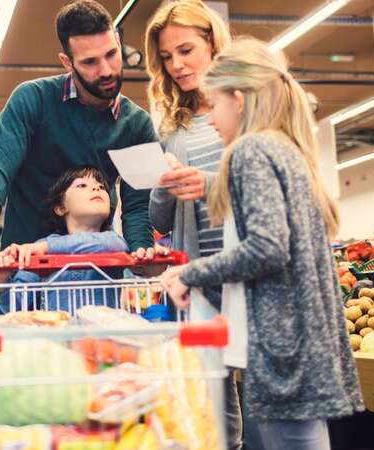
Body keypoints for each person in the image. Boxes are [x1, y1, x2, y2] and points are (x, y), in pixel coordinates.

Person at [160, 37, 364, 450]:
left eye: (214, 105)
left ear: (238, 99)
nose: (212, 120)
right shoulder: (287, 148)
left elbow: (267, 248)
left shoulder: (251, 150)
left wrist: (190, 272)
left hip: (280, 350)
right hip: (304, 343)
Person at [0, 0, 158, 281]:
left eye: (112, 54)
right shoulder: (33, 100)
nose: (107, 70)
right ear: (67, 63)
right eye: (90, 62)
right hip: (25, 273)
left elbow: (137, 206)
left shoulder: (137, 125)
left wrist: (141, 254)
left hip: (95, 275)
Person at [143, 3, 246, 450]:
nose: (177, 65)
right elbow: (159, 221)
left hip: (249, 269)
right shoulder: (171, 126)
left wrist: (206, 183)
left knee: (262, 397)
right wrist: (163, 184)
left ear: (212, 43)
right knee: (212, 400)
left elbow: (264, 188)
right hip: (200, 277)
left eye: (186, 50)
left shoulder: (248, 106)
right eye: (166, 57)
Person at [0, 166, 128, 315]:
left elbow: (117, 245)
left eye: (101, 187)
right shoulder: (42, 248)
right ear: (60, 207)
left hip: (103, 336)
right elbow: (16, 307)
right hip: (58, 335)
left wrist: (46, 247)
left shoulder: (112, 240)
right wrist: (0, 282)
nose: (96, 188)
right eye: (82, 185)